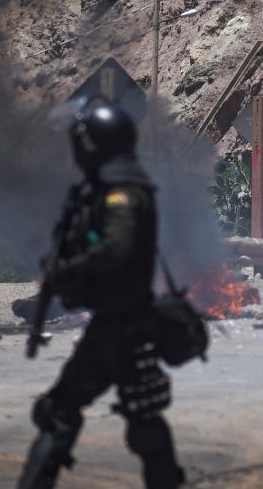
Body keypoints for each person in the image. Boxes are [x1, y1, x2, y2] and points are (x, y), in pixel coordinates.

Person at [19, 100, 185, 488]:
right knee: (141, 419)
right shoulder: (120, 185)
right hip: (120, 322)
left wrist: (68, 272)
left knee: (63, 411)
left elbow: (117, 249)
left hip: (120, 326)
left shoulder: (121, 193)